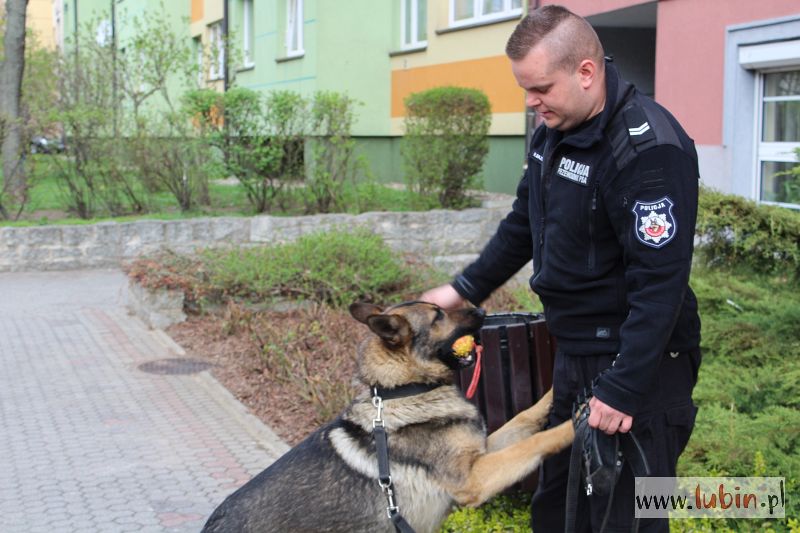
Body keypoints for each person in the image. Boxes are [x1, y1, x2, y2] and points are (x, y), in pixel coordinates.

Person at [421, 5, 701, 532]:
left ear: (586, 72)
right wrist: (461, 290)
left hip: (641, 366)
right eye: (525, 89)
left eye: (541, 88)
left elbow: (660, 284)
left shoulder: (648, 151)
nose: (531, 103)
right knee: (557, 509)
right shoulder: (553, 133)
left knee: (629, 519)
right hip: (575, 356)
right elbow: (521, 227)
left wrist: (623, 388)